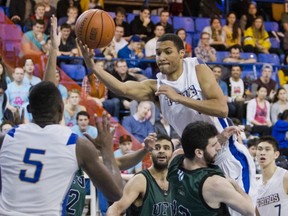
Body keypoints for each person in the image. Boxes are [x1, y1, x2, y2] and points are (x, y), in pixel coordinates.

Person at [78, 34, 257, 210]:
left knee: (247, 210)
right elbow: (123, 88)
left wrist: (178, 98)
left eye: (167, 52)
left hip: (225, 153)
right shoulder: (157, 87)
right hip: (196, 162)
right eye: (157, 53)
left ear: (181, 53)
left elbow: (221, 108)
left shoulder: (196, 69)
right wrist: (93, 66)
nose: (161, 57)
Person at [0, 81, 123, 215]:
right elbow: (115, 193)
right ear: (61, 108)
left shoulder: (6, 138)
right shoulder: (76, 144)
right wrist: (106, 150)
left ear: (29, 109)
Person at [167, 121, 254, 216]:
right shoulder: (215, 183)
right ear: (199, 153)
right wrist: (234, 183)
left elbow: (188, 149)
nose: (219, 147)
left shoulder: (174, 159)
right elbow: (249, 210)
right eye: (213, 145)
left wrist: (220, 138)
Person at [107, 133, 174, 216]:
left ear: (172, 154)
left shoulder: (176, 181)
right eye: (157, 148)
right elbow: (115, 208)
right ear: (150, 153)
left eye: (166, 148)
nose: (161, 151)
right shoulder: (140, 180)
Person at [255, 136, 288, 216]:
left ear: (276, 154)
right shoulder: (255, 184)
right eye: (259, 149)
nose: (262, 152)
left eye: (267, 149)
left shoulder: (285, 177)